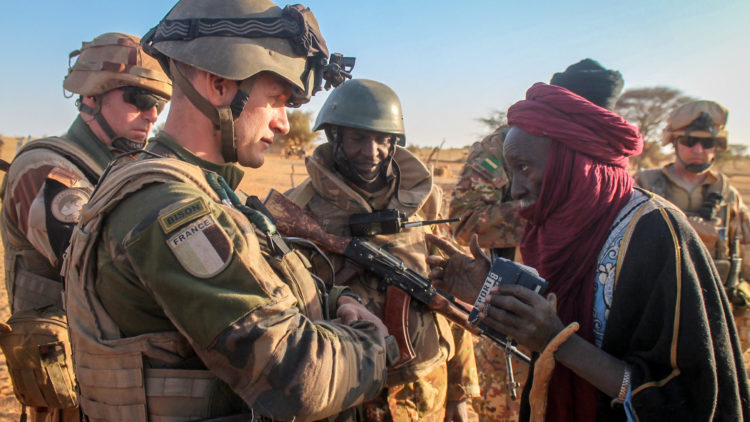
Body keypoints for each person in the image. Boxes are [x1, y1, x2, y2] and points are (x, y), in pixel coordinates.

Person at [61, 2, 391, 421]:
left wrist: (338, 300)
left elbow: (267, 285)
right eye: (275, 100)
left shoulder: (207, 189)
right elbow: (296, 376)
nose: (283, 123)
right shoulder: (171, 209)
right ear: (219, 85)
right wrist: (376, 342)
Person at [427, 83, 750, 421]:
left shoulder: (657, 234)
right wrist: (491, 292)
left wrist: (559, 342)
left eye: (523, 167)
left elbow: (687, 399)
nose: (516, 189)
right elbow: (553, 332)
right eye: (511, 173)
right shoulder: (554, 232)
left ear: (570, 162)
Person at [285, 78, 480, 421]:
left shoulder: (423, 201)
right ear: (335, 136)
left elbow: (448, 296)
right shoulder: (298, 210)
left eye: (382, 139)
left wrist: (460, 393)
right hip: (344, 393)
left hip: (425, 391)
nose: (371, 152)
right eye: (358, 138)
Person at [0, 32, 171, 422]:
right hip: (73, 393)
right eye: (141, 99)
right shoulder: (44, 168)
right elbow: (98, 269)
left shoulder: (128, 170)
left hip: (127, 384)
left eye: (160, 105)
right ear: (91, 95)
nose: (152, 115)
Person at [448, 58, 624, 421]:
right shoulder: (507, 144)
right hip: (513, 317)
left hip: (588, 331)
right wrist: (551, 210)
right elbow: (464, 221)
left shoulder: (606, 152)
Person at [635, 100, 750, 352]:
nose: (698, 149)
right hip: (656, 306)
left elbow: (744, 249)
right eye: (689, 141)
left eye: (707, 143)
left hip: (714, 306)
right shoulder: (645, 184)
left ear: (717, 146)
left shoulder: (727, 193)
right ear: (674, 143)